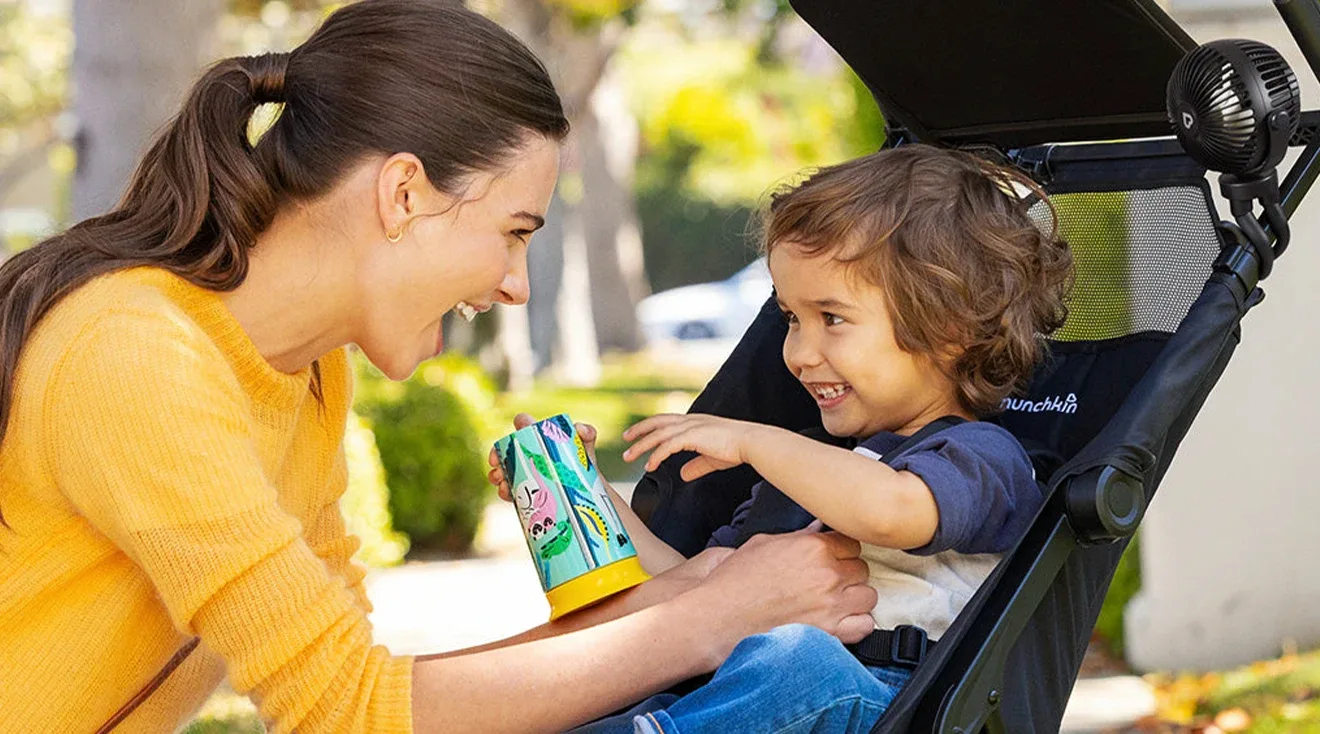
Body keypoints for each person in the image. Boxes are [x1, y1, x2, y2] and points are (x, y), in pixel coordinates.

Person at [0, 3, 879, 732]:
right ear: (404, 193)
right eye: (513, 233)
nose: (513, 286)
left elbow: (363, 681)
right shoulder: (137, 354)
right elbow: (346, 713)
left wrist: (700, 589)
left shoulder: (305, 375)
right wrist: (711, 620)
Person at [493, 144, 1072, 732]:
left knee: (800, 662)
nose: (796, 352)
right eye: (792, 318)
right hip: (756, 697)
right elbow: (696, 585)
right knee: (684, 671)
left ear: (947, 329)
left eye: (832, 318)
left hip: (887, 703)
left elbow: (891, 511)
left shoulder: (981, 456)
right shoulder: (801, 475)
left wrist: (757, 443)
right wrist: (585, 487)